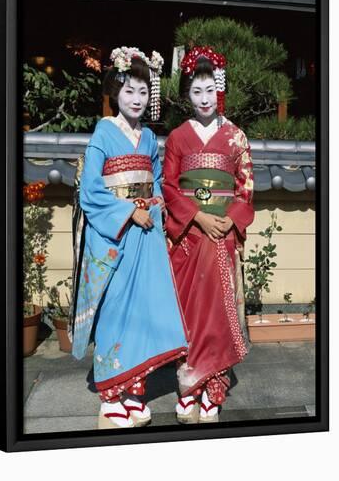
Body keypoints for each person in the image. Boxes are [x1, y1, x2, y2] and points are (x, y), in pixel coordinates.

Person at [70, 46, 188, 429]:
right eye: (129, 91)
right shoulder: (104, 131)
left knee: (142, 313)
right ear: (115, 92)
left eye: (142, 92)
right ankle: (110, 396)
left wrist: (153, 206)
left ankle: (134, 392)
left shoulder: (150, 137)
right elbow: (91, 191)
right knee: (115, 311)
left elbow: (156, 180)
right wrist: (128, 212)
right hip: (117, 234)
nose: (136, 99)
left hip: (144, 233)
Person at [163, 46, 254, 424]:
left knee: (217, 314)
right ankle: (188, 386)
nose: (204, 99)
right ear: (187, 94)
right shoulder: (177, 138)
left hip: (222, 236)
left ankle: (213, 388)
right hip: (189, 236)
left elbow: (245, 187)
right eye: (196, 91)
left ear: (220, 90)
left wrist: (229, 220)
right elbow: (169, 187)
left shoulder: (236, 137)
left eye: (210, 90)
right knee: (188, 312)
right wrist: (198, 216)